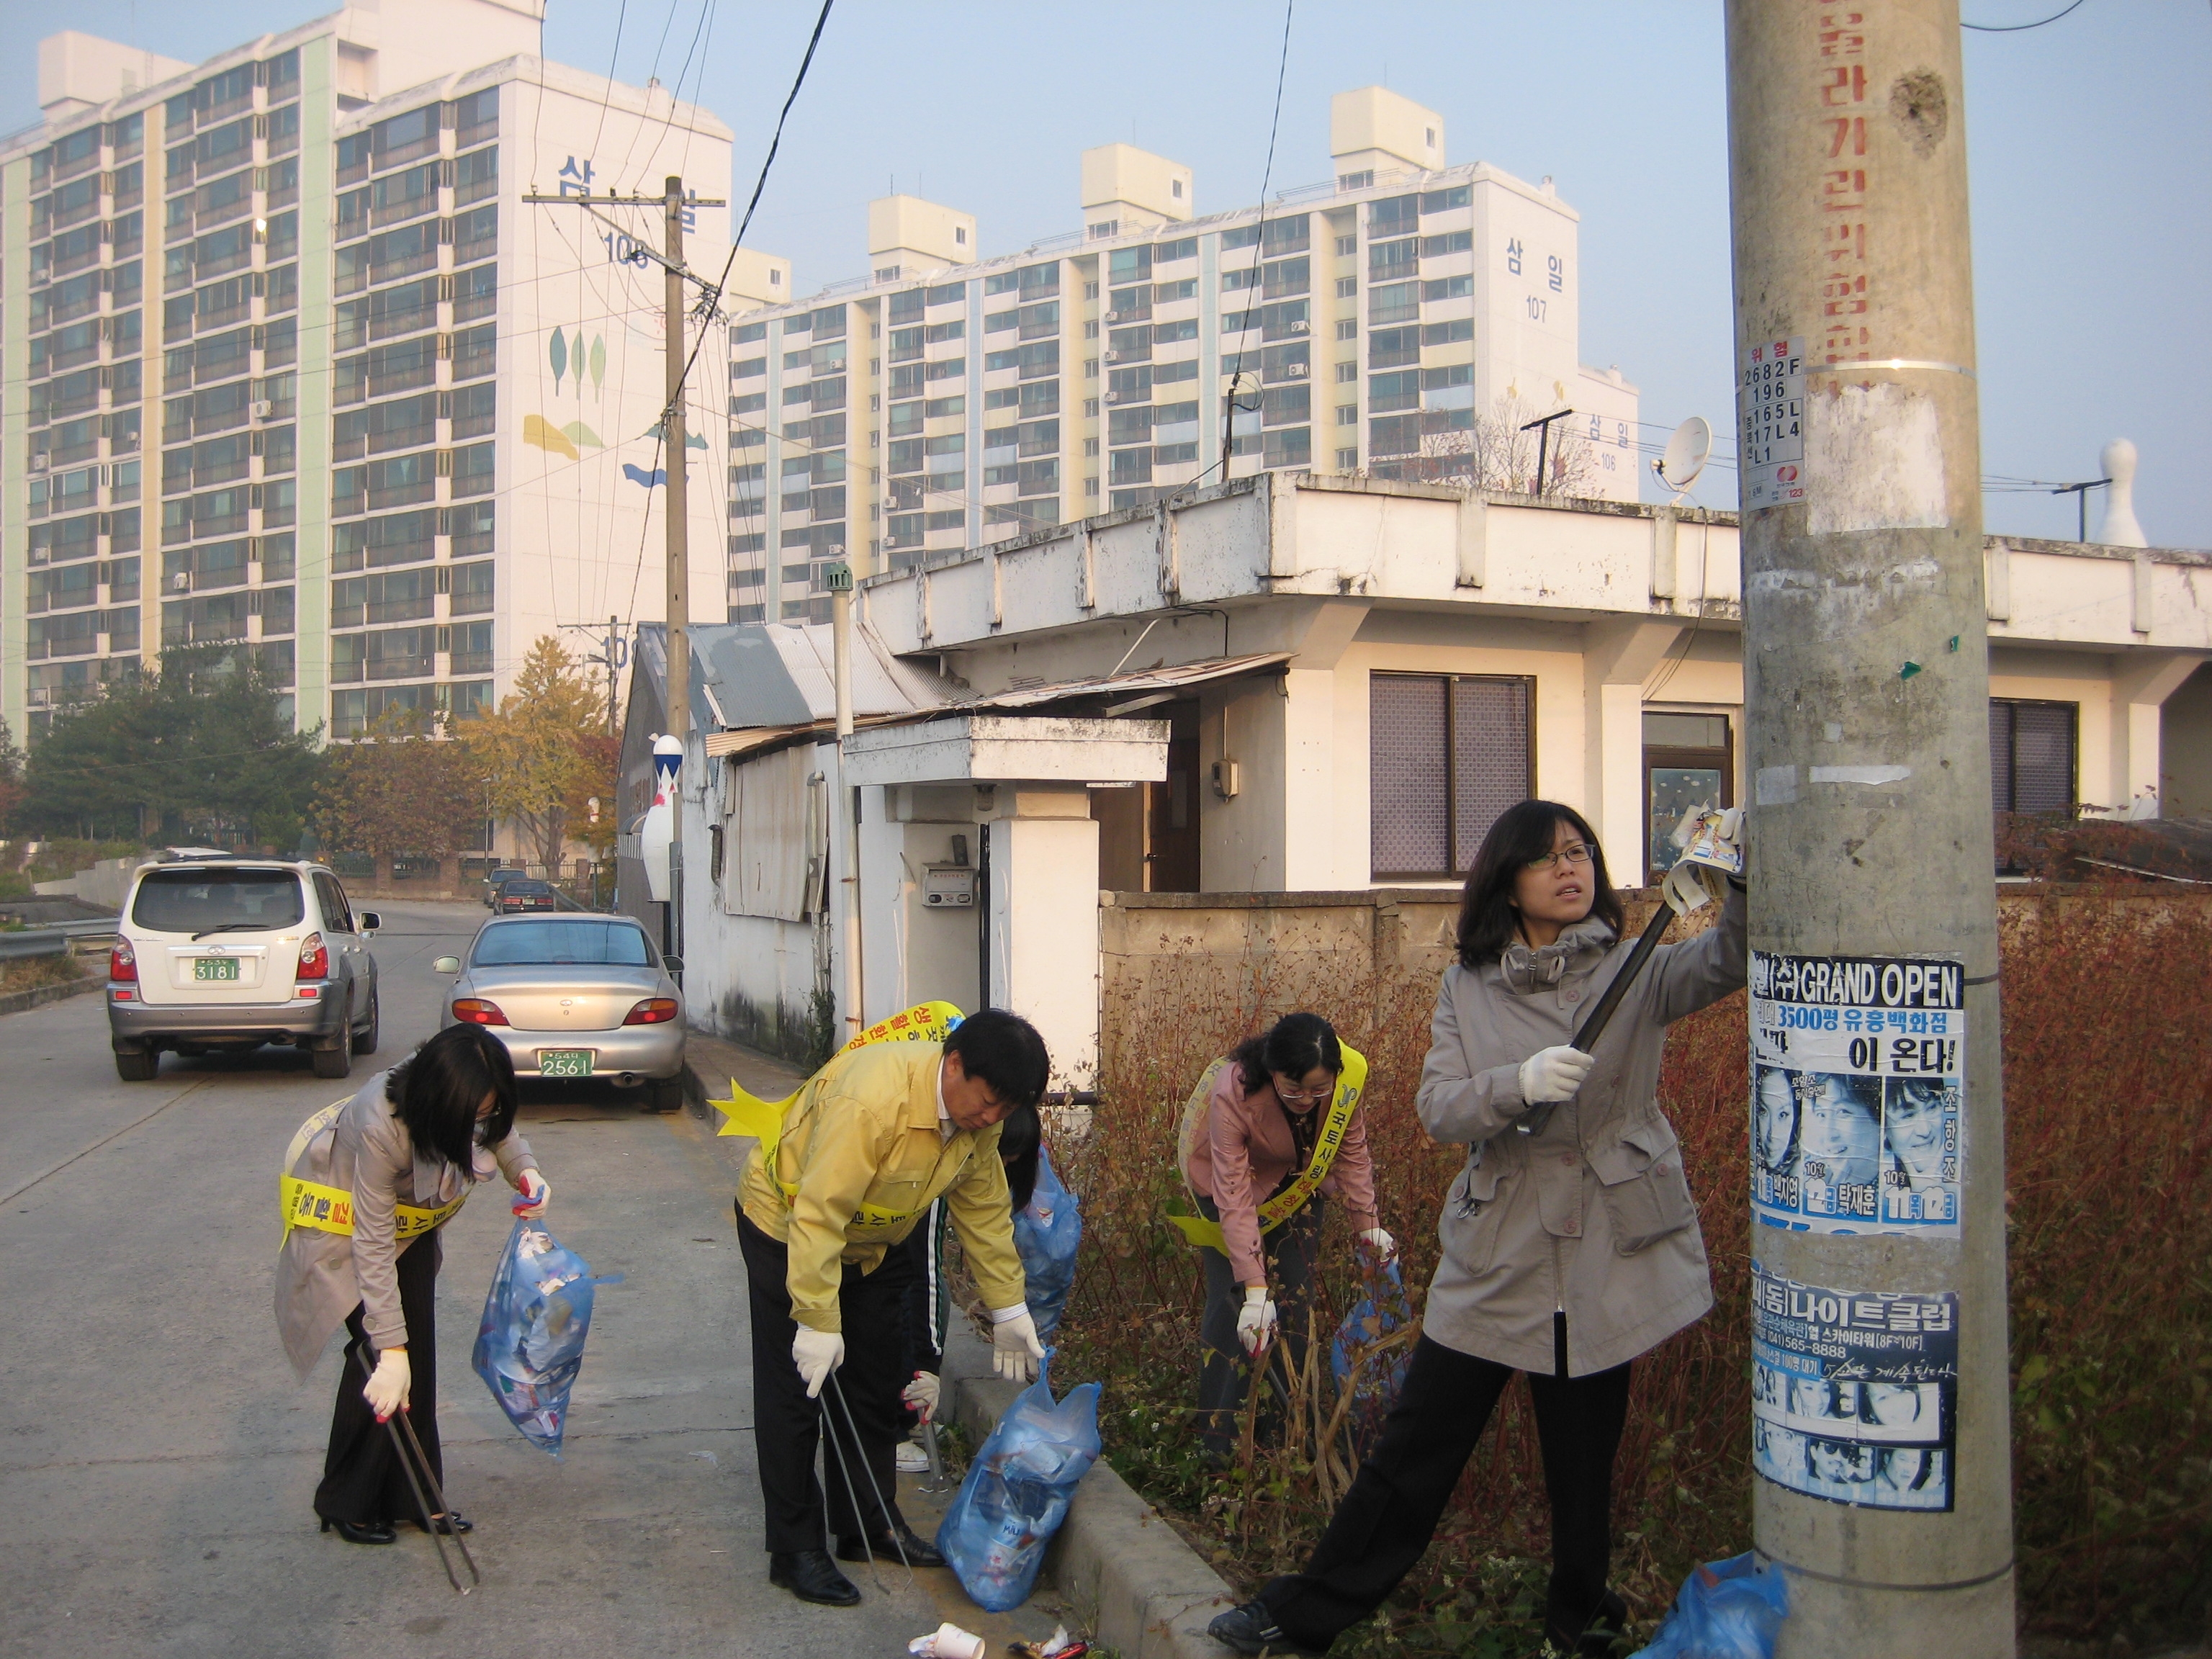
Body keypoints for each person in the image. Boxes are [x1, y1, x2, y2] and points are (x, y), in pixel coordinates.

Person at [1210, 799, 1745, 1659]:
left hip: (1609, 1242)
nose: (1571, 870)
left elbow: (1731, 957)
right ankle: (1305, 1612)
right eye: (1547, 859)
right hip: (1503, 1244)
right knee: (1416, 1446)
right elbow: (1439, 1108)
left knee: (1583, 1466)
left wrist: (1737, 874)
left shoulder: (1635, 969)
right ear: (1507, 881)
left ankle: (1581, 1626)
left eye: (1582, 853)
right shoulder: (1469, 984)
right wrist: (1519, 1082)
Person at [737, 1007, 1051, 1608]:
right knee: (796, 1390)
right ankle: (795, 1549)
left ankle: (868, 1524)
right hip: (787, 1226)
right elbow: (819, 1214)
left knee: (877, 1380)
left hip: (874, 1243)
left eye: (1005, 1111)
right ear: (952, 1064)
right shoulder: (873, 1102)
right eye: (986, 1102)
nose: (990, 1120)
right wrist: (816, 1319)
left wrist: (1010, 1310)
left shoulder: (979, 1125)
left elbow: (983, 1215)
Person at [275, 1024, 550, 1545]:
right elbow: (371, 1244)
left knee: (415, 1356)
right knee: (380, 1360)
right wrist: (390, 1346)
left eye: (487, 1110)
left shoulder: (460, 1094)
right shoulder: (380, 1124)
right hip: (347, 1232)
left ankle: (415, 1498)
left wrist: (526, 1172)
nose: (482, 1122)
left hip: (411, 1223)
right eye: (473, 1114)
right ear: (441, 1102)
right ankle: (345, 1499)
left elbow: (500, 1132)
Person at [1179, 1012, 1393, 1458]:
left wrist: (1367, 1225)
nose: (1306, 1100)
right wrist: (1256, 1291)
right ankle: (1221, 1442)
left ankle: (1283, 1432)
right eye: (1293, 1090)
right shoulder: (1234, 1090)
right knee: (1234, 1301)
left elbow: (1351, 1154)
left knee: (1296, 1297)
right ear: (1272, 1073)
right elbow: (1234, 1195)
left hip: (1296, 1184)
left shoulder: (1346, 1083)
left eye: (1318, 1090)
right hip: (1227, 1187)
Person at [892, 1105, 1041, 1474]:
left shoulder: (956, 1156)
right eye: (1002, 1156)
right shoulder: (938, 1174)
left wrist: (1010, 1310)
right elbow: (923, 1273)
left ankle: (900, 1417)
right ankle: (890, 1427)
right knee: (904, 1314)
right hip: (870, 1257)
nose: (1003, 1168)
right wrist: (927, 1366)